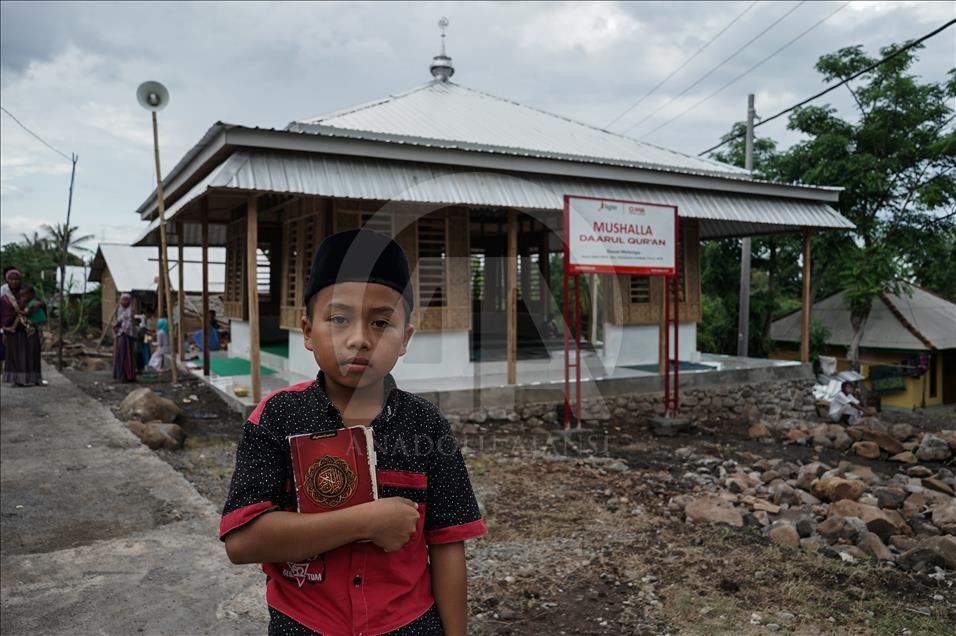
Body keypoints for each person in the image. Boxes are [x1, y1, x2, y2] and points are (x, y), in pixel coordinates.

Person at [220, 229, 486, 635]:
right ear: (308, 331)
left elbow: (448, 544)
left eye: (381, 322)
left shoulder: (428, 427)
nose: (360, 338)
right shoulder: (276, 418)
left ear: (405, 339)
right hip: (305, 625)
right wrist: (365, 522)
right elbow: (242, 541)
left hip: (409, 625)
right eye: (339, 319)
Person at [2, 269, 43, 386]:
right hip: (13, 330)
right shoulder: (5, 296)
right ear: (7, 280)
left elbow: (39, 302)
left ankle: (34, 379)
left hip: (29, 328)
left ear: (20, 280)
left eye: (16, 279)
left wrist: (37, 304)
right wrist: (4, 330)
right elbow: (3, 314)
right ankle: (17, 380)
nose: (14, 281)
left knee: (31, 354)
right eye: (11, 279)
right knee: (15, 355)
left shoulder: (27, 291)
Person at [112, 293, 137, 382]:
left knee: (126, 356)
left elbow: (129, 324)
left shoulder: (130, 311)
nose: (124, 302)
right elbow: (119, 321)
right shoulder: (120, 310)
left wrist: (121, 328)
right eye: (123, 300)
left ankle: (127, 376)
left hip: (127, 336)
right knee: (119, 355)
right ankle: (120, 375)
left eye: (126, 300)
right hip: (119, 335)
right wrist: (116, 326)